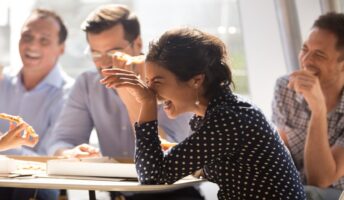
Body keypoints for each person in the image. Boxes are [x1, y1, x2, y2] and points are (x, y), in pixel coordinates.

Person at [100, 27, 307, 200]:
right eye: (147, 81)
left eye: (157, 81)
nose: (151, 90)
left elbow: (152, 176)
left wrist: (146, 103)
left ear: (196, 80)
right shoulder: (221, 113)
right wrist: (178, 152)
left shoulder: (228, 119)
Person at [48, 4, 202, 200]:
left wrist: (128, 94)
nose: (104, 63)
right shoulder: (87, 84)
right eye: (96, 54)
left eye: (113, 53)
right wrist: (70, 153)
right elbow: (61, 140)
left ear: (137, 44)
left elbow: (168, 153)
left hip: (172, 193)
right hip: (119, 194)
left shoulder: (170, 80)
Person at [0, 8, 74, 200]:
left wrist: (5, 143)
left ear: (61, 48)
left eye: (44, 40)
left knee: (27, 189)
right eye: (27, 36)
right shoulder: (2, 81)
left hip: (37, 182)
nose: (32, 45)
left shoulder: (69, 93)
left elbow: (47, 159)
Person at [272, 12, 344, 200]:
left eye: (319, 54)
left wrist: (318, 110)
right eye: (305, 49)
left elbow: (320, 179)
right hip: (297, 189)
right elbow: (280, 152)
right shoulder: (285, 87)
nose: (306, 60)